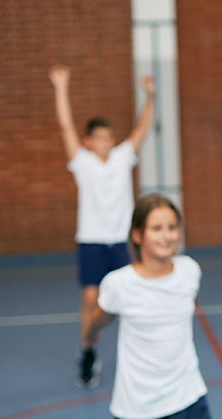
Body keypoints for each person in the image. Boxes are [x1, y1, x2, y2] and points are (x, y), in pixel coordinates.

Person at [87, 194, 217, 419]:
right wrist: (91, 334)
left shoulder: (189, 271)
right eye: (156, 228)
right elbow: (99, 317)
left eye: (172, 227)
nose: (167, 235)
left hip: (187, 396)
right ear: (137, 235)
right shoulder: (119, 284)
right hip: (139, 406)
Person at [49, 64, 156, 389]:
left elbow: (141, 127)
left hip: (121, 242)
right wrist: (61, 87)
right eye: (100, 138)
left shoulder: (123, 157)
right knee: (90, 298)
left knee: (130, 297)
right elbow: (65, 126)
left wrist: (150, 95)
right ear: (88, 142)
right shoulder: (82, 163)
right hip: (92, 241)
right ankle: (88, 351)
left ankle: (140, 355)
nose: (107, 142)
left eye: (110, 137)